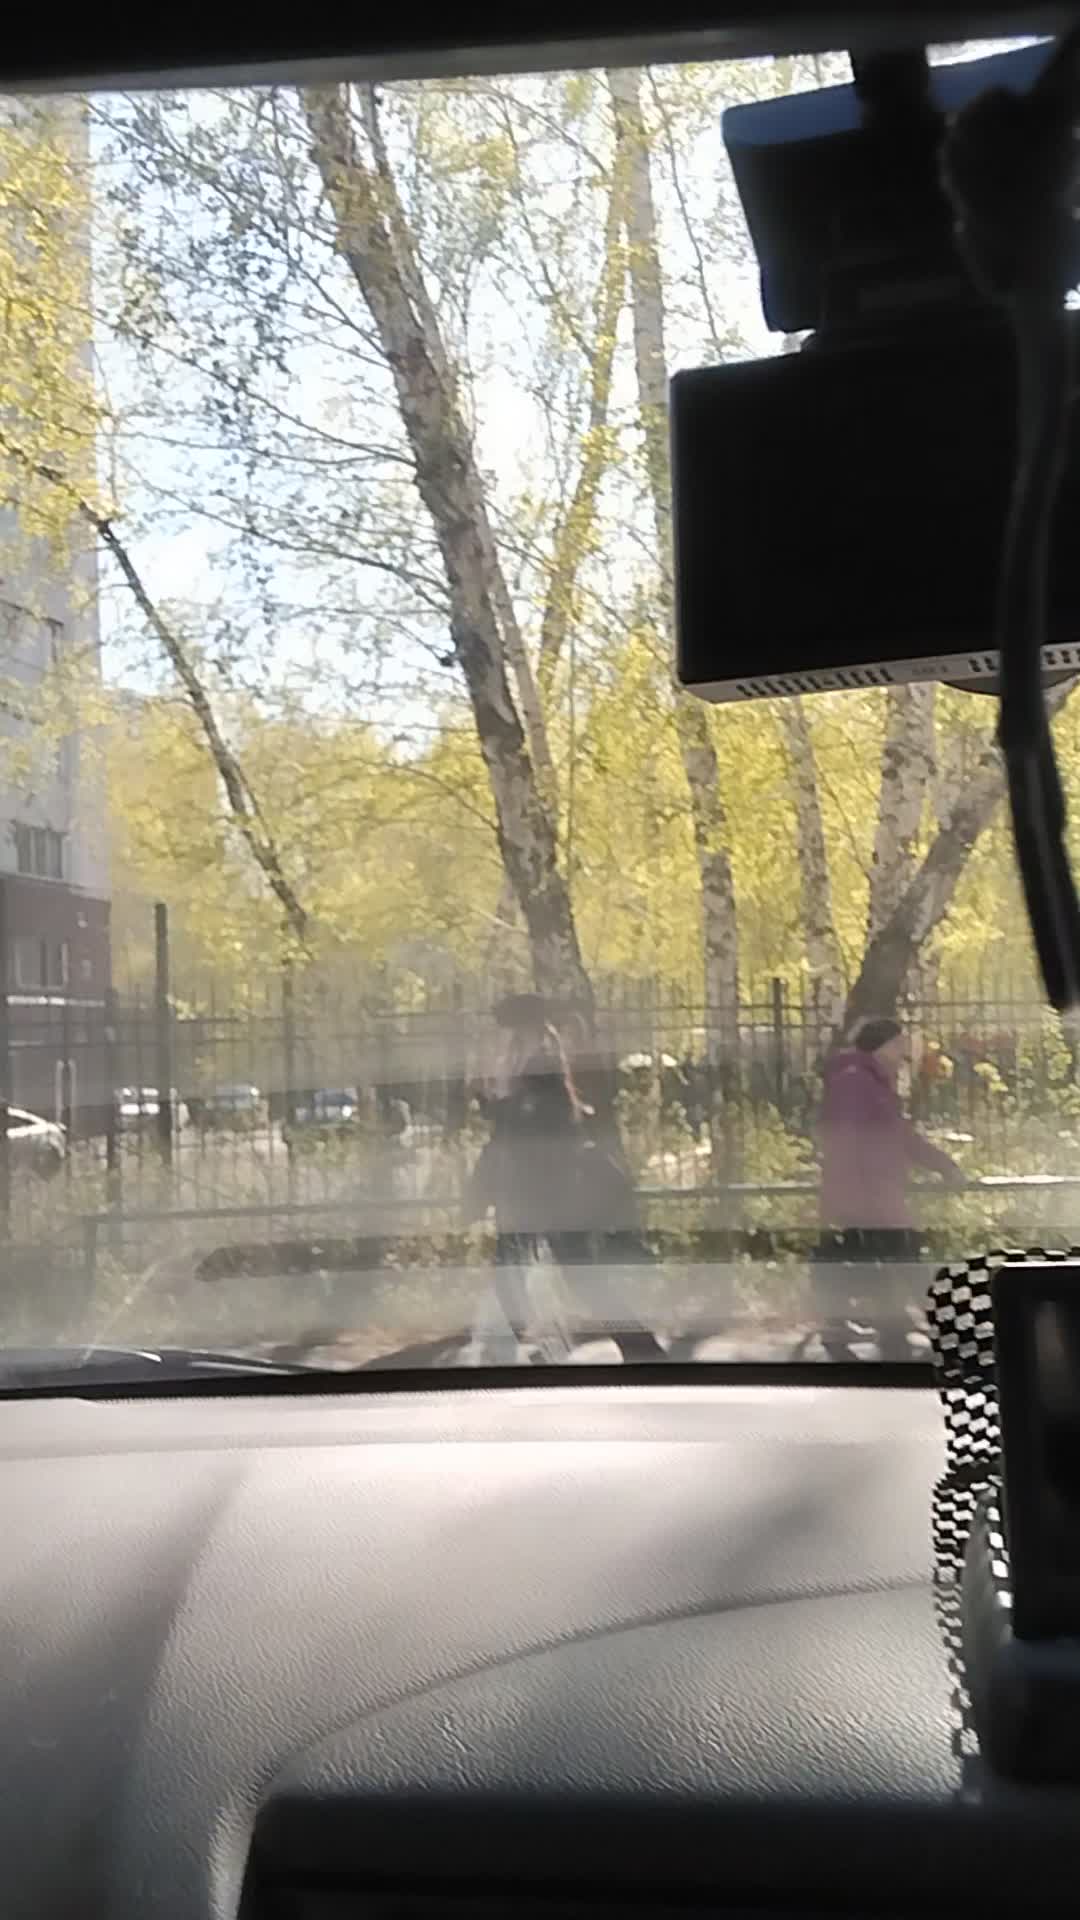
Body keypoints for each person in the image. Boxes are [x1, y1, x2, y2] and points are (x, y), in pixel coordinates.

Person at [465, 994, 665, 1363]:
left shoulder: (539, 1061)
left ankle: (635, 1346)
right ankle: (629, 1346)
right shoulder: (531, 1059)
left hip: (545, 1189)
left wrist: (494, 1107)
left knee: (563, 1274)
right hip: (534, 1186)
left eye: (510, 1029)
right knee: (530, 1271)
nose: (505, 1038)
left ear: (523, 1027)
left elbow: (537, 1119)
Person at [815, 1016, 964, 1361]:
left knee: (875, 1262)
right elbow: (855, 1142)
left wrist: (942, 1164)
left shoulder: (866, 1082)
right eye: (899, 1045)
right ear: (881, 1046)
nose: (903, 1054)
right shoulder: (857, 1083)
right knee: (904, 1259)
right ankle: (940, 1328)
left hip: (869, 1196)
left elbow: (897, 1136)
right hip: (869, 1197)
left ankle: (875, 1327)